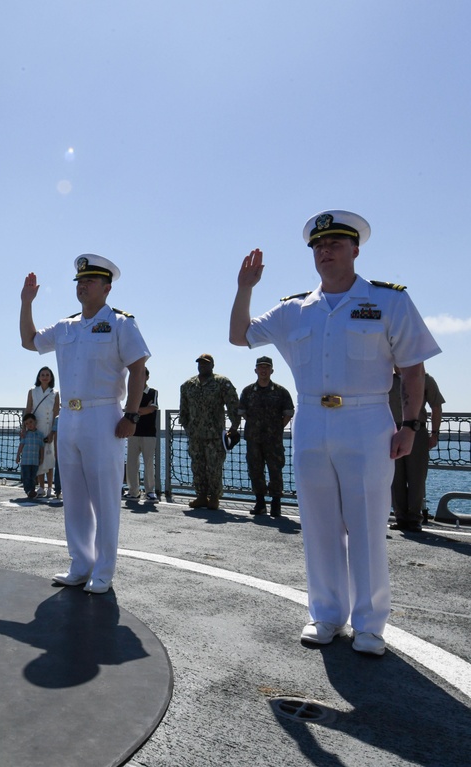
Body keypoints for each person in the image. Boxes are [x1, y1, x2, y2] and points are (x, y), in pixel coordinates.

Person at [229, 209, 441, 656]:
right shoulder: (293, 309)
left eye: (335, 244)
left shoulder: (389, 301)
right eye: (318, 247)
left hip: (366, 421)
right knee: (320, 524)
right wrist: (245, 287)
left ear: (355, 249)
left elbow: (413, 370)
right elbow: (239, 336)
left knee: (365, 524)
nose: (325, 251)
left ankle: (369, 624)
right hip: (309, 421)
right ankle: (326, 614)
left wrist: (410, 426)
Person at [20, 254, 150, 594]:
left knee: (105, 497)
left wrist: (132, 415)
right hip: (71, 419)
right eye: (80, 280)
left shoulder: (121, 323)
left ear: (107, 288)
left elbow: (138, 368)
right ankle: (80, 563)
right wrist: (26, 302)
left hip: (103, 414)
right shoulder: (65, 327)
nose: (83, 285)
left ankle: (104, 570)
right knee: (74, 497)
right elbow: (29, 340)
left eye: (90, 281)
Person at [177, 354, 241, 510]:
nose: (202, 366)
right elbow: (183, 411)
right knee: (197, 466)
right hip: (195, 436)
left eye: (206, 364)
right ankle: (201, 496)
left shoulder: (221, 383)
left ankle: (214, 497)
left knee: (214, 467)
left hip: (214, 435)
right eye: (200, 363)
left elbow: (233, 405)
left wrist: (234, 426)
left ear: (212, 365)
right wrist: (188, 427)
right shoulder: (188, 385)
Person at [389, 368, 446, 532]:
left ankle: (414, 518)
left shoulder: (425, 379)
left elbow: (436, 407)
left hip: (416, 431)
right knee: (395, 477)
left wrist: (434, 434)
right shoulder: (387, 380)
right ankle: (400, 517)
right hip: (391, 432)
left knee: (417, 477)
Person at [238, 356, 294, 517]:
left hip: (273, 440)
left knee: (275, 470)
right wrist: (257, 427)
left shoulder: (281, 392)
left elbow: (288, 414)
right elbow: (244, 413)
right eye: (261, 367)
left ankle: (276, 504)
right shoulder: (248, 391)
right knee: (255, 470)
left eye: (267, 368)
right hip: (253, 439)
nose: (263, 370)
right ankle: (260, 503)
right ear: (256, 370)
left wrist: (275, 429)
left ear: (272, 371)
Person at [25, 366, 60, 497]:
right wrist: (24, 428)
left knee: (49, 457)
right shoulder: (32, 391)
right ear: (39, 377)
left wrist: (53, 432)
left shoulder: (55, 393)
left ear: (51, 378)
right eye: (42, 374)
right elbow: (28, 409)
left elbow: (56, 412)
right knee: (38, 457)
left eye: (47, 375)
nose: (45, 377)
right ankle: (41, 486)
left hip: (48, 427)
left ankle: (50, 486)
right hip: (35, 427)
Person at [125, 367, 159, 501]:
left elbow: (151, 408)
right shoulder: (132, 393)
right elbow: (128, 408)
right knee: (132, 463)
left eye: (142, 375)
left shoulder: (152, 392)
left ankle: (150, 491)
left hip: (149, 434)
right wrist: (141, 409)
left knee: (149, 463)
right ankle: (133, 491)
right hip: (133, 432)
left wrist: (136, 410)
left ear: (147, 377)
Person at [16, 412, 46, 498]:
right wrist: (18, 456)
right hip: (25, 461)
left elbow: (41, 447)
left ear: (35, 422)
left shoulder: (40, 435)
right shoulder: (25, 435)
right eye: (26, 424)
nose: (29, 425)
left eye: (31, 422)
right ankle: (28, 491)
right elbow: (21, 445)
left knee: (33, 477)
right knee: (26, 477)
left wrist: (42, 458)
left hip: (35, 461)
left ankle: (32, 490)